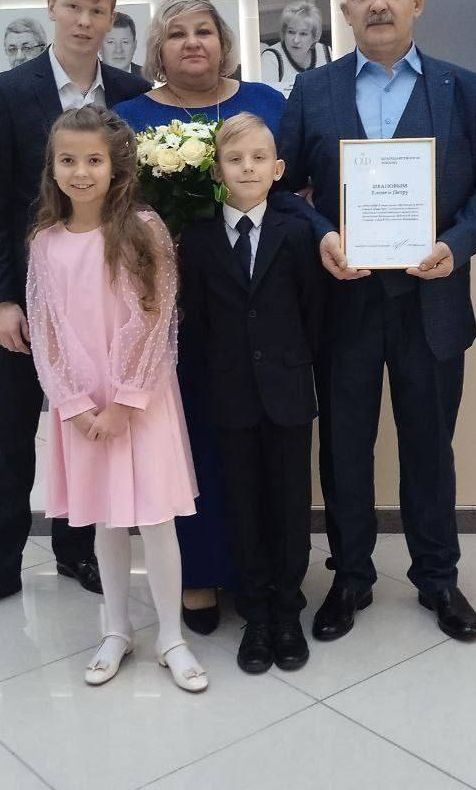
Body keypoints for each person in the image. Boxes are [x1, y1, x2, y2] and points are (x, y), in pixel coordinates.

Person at [273, 0, 476, 644]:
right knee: (345, 446)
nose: (378, 3)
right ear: (345, 10)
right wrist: (322, 234)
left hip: (431, 299)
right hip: (342, 301)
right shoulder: (312, 92)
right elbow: (282, 191)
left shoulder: (467, 91)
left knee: (430, 444)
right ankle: (351, 576)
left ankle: (437, 576)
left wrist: (457, 244)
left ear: (417, 2)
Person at [0, 0, 151, 624]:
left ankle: (76, 551)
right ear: (51, 8)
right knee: (12, 433)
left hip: (102, 301)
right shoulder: (9, 92)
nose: (85, 21)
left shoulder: (133, 93)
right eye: (73, 7)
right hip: (30, 299)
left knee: (85, 428)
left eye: (98, 10)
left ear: (112, 18)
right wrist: (2, 300)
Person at [115, 0, 286, 635]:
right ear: (158, 50)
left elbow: (295, 194)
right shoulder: (129, 118)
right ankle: (198, 573)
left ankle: (262, 572)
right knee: (188, 441)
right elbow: (114, 212)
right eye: (177, 33)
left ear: (224, 42)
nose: (192, 42)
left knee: (258, 441)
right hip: (169, 313)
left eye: (204, 31)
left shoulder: (266, 104)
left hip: (256, 307)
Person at [26, 105, 206, 691]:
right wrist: (76, 405)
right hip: (83, 408)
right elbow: (46, 330)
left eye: (93, 160)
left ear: (116, 166)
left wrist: (127, 400)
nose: (80, 172)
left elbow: (157, 321)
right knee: (105, 520)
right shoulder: (45, 244)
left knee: (155, 520)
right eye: (68, 160)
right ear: (52, 168)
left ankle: (171, 635)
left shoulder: (143, 229)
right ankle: (117, 629)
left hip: (140, 402)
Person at [179, 113, 323, 674]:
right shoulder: (198, 239)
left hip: (288, 393)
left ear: (278, 169)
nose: (247, 168)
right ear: (217, 171)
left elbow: (313, 313)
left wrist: (294, 366)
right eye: (235, 159)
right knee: (241, 501)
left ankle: (287, 610)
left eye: (259, 158)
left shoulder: (298, 233)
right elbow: (197, 322)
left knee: (289, 502)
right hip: (230, 394)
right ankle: (256, 612)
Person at [260, 0, 331, 92]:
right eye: (291, 32)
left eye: (303, 34)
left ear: (314, 37)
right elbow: (267, 97)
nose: (296, 40)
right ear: (284, 32)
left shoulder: (326, 52)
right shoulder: (270, 58)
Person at [101, 10, 144, 78]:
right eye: (111, 42)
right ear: (99, 47)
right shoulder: (87, 78)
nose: (118, 50)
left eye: (125, 42)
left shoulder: (150, 77)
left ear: (134, 45)